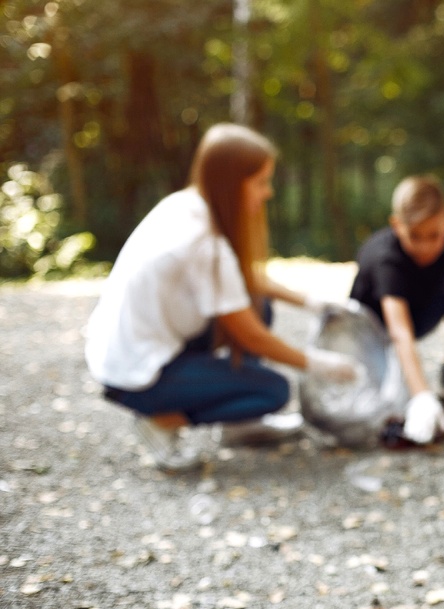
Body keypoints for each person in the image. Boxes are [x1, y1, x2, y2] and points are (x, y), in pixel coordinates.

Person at [86, 123, 361, 471]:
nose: (268, 193)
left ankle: (241, 427)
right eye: (261, 182)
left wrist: (310, 301)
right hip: (138, 374)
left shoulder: (185, 205)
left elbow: (243, 283)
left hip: (127, 349)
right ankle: (161, 420)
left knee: (258, 307)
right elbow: (250, 336)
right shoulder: (202, 243)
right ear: (233, 183)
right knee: (271, 392)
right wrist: (321, 364)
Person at [349, 174, 444, 445]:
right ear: (396, 225)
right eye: (414, 236)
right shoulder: (385, 257)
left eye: (434, 236)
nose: (425, 247)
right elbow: (399, 332)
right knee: (387, 404)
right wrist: (422, 395)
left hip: (421, 314)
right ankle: (416, 396)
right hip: (374, 329)